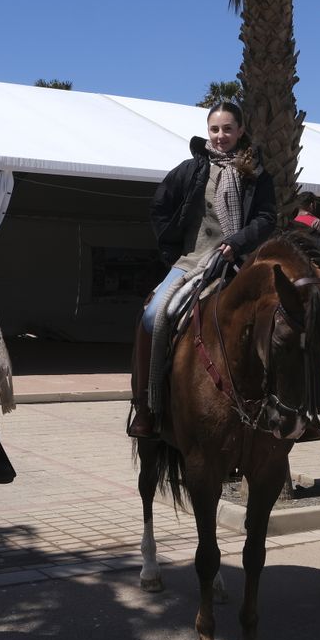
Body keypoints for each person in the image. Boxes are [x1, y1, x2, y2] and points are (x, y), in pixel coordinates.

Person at [126, 101, 278, 439]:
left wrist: (237, 242)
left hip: (240, 261)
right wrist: (172, 250)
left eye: (227, 129)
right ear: (208, 131)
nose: (221, 135)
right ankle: (146, 405)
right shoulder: (190, 169)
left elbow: (267, 218)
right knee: (152, 316)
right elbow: (160, 206)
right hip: (192, 261)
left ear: (240, 130)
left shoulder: (258, 174)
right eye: (215, 129)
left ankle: (286, 409)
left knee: (279, 321)